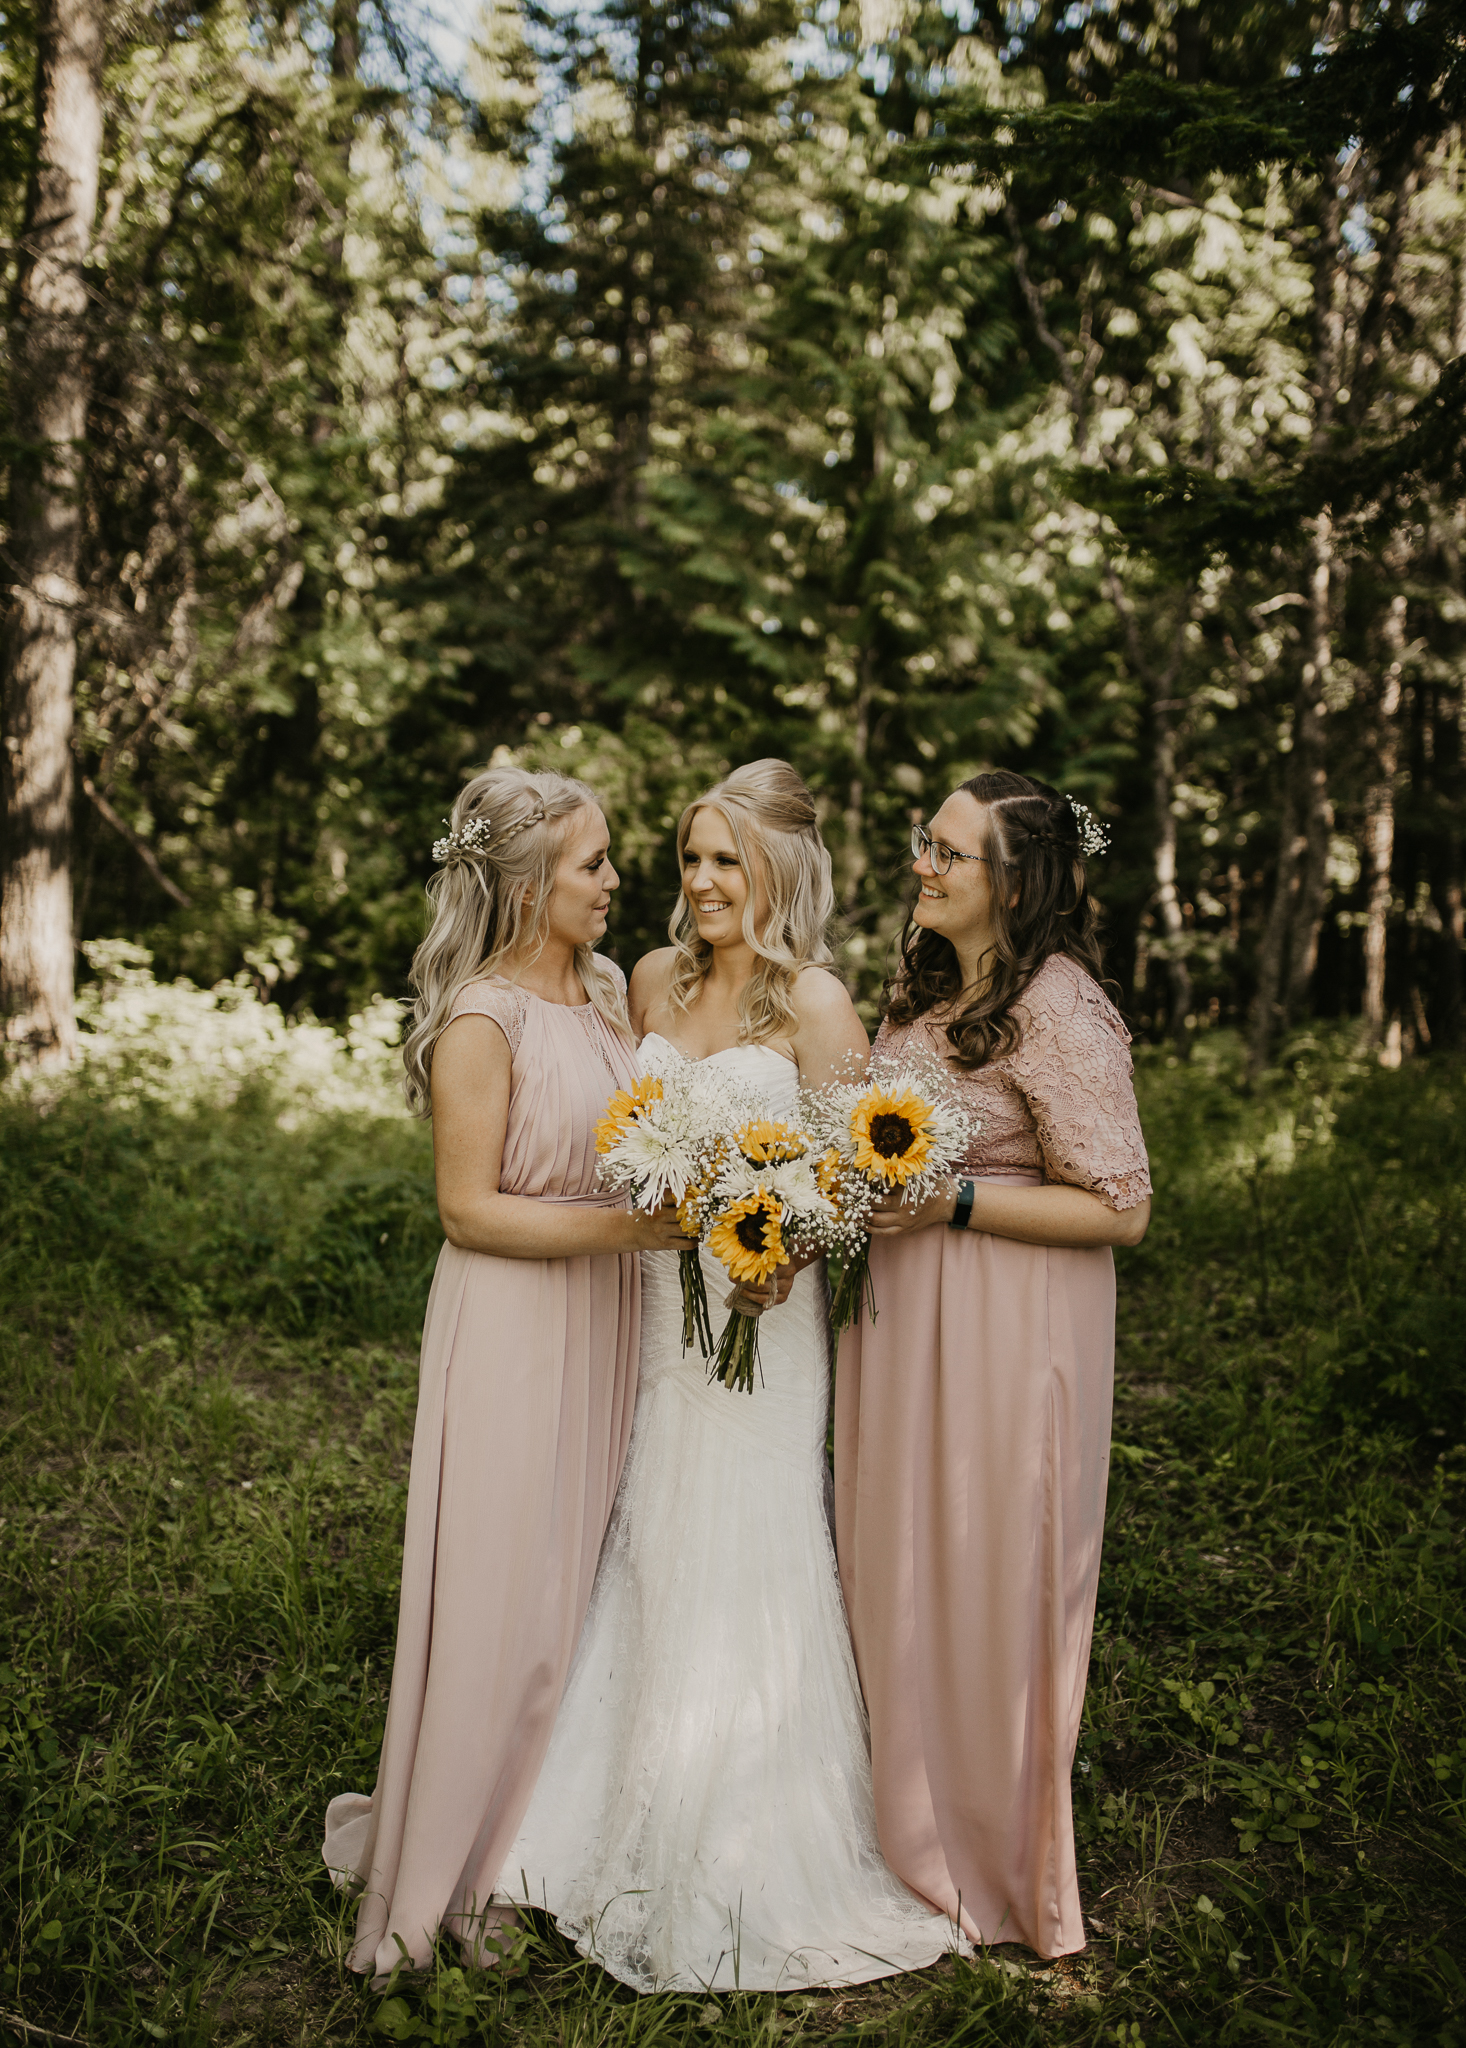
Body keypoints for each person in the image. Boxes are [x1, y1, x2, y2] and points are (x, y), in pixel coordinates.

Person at [495, 759, 960, 1992]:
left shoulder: (815, 1002)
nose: (697, 881)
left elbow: (867, 1177)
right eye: (689, 855)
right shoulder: (651, 979)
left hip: (765, 1324)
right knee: (648, 1533)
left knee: (745, 1543)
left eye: (723, 860)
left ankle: (745, 1836)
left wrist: (788, 1248)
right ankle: (599, 1816)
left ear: (777, 871)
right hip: (654, 1309)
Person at [321, 765, 691, 1985]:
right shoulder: (482, 1015)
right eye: (593, 862)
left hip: (599, 1322)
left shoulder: (596, 995)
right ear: (530, 883)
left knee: (559, 1598)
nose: (614, 880)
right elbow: (468, 1210)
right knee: (488, 1595)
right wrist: (632, 1234)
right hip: (513, 1325)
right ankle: (439, 1881)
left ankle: (517, 1845)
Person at [833, 770, 1152, 1962]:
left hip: (1007, 1337)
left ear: (1013, 884)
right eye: (925, 839)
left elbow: (1120, 1205)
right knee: (897, 1559)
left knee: (986, 1574)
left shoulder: (1057, 1005)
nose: (922, 861)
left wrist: (954, 1199)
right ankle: (895, 1820)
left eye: (948, 852)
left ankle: (988, 1852)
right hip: (904, 1327)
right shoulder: (927, 987)